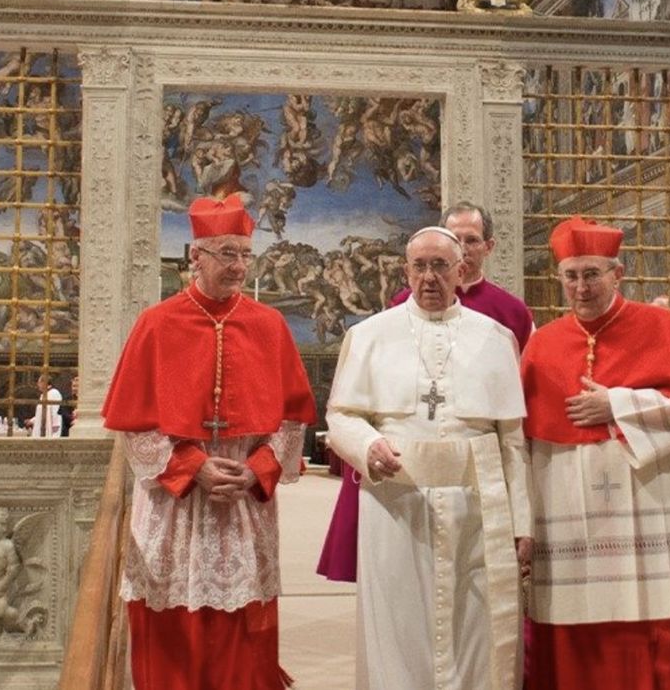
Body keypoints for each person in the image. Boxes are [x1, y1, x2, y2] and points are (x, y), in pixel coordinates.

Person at [101, 195, 316, 690]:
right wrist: (192, 465)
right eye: (227, 254)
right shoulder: (156, 323)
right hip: (173, 505)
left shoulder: (269, 325)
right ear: (195, 256)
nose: (239, 266)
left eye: (245, 254)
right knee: (171, 634)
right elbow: (134, 424)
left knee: (241, 636)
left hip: (243, 505)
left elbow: (290, 420)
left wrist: (258, 468)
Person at [325, 226, 531, 690]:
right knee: (398, 622)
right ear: (406, 271)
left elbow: (513, 441)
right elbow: (341, 414)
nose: (429, 277)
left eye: (440, 266)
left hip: (479, 509)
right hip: (398, 507)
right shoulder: (369, 335)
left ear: (462, 271)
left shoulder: (496, 338)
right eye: (419, 266)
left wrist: (524, 522)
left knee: (475, 624)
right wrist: (366, 446)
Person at [521, 216, 670, 690]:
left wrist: (616, 403)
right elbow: (523, 441)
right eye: (571, 275)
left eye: (592, 274)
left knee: (654, 616)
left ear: (618, 273)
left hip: (648, 507)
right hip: (569, 513)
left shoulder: (664, 327)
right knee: (575, 622)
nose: (581, 287)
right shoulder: (542, 344)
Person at [31, 372, 62, 438]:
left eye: (39, 382)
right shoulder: (43, 395)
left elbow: (56, 411)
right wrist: (32, 420)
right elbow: (41, 413)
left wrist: (55, 426)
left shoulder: (54, 393)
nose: (38, 384)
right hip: (41, 427)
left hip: (51, 428)